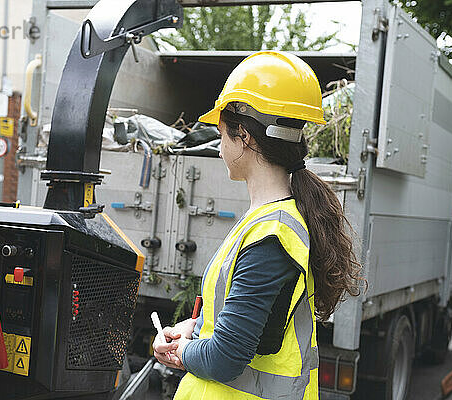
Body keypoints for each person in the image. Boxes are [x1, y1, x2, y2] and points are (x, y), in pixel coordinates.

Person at [153, 51, 364, 400]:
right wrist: (193, 328)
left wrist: (181, 351)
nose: (220, 149)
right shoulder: (268, 221)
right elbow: (256, 329)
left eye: (221, 135)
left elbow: (226, 358)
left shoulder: (272, 235)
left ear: (244, 137)